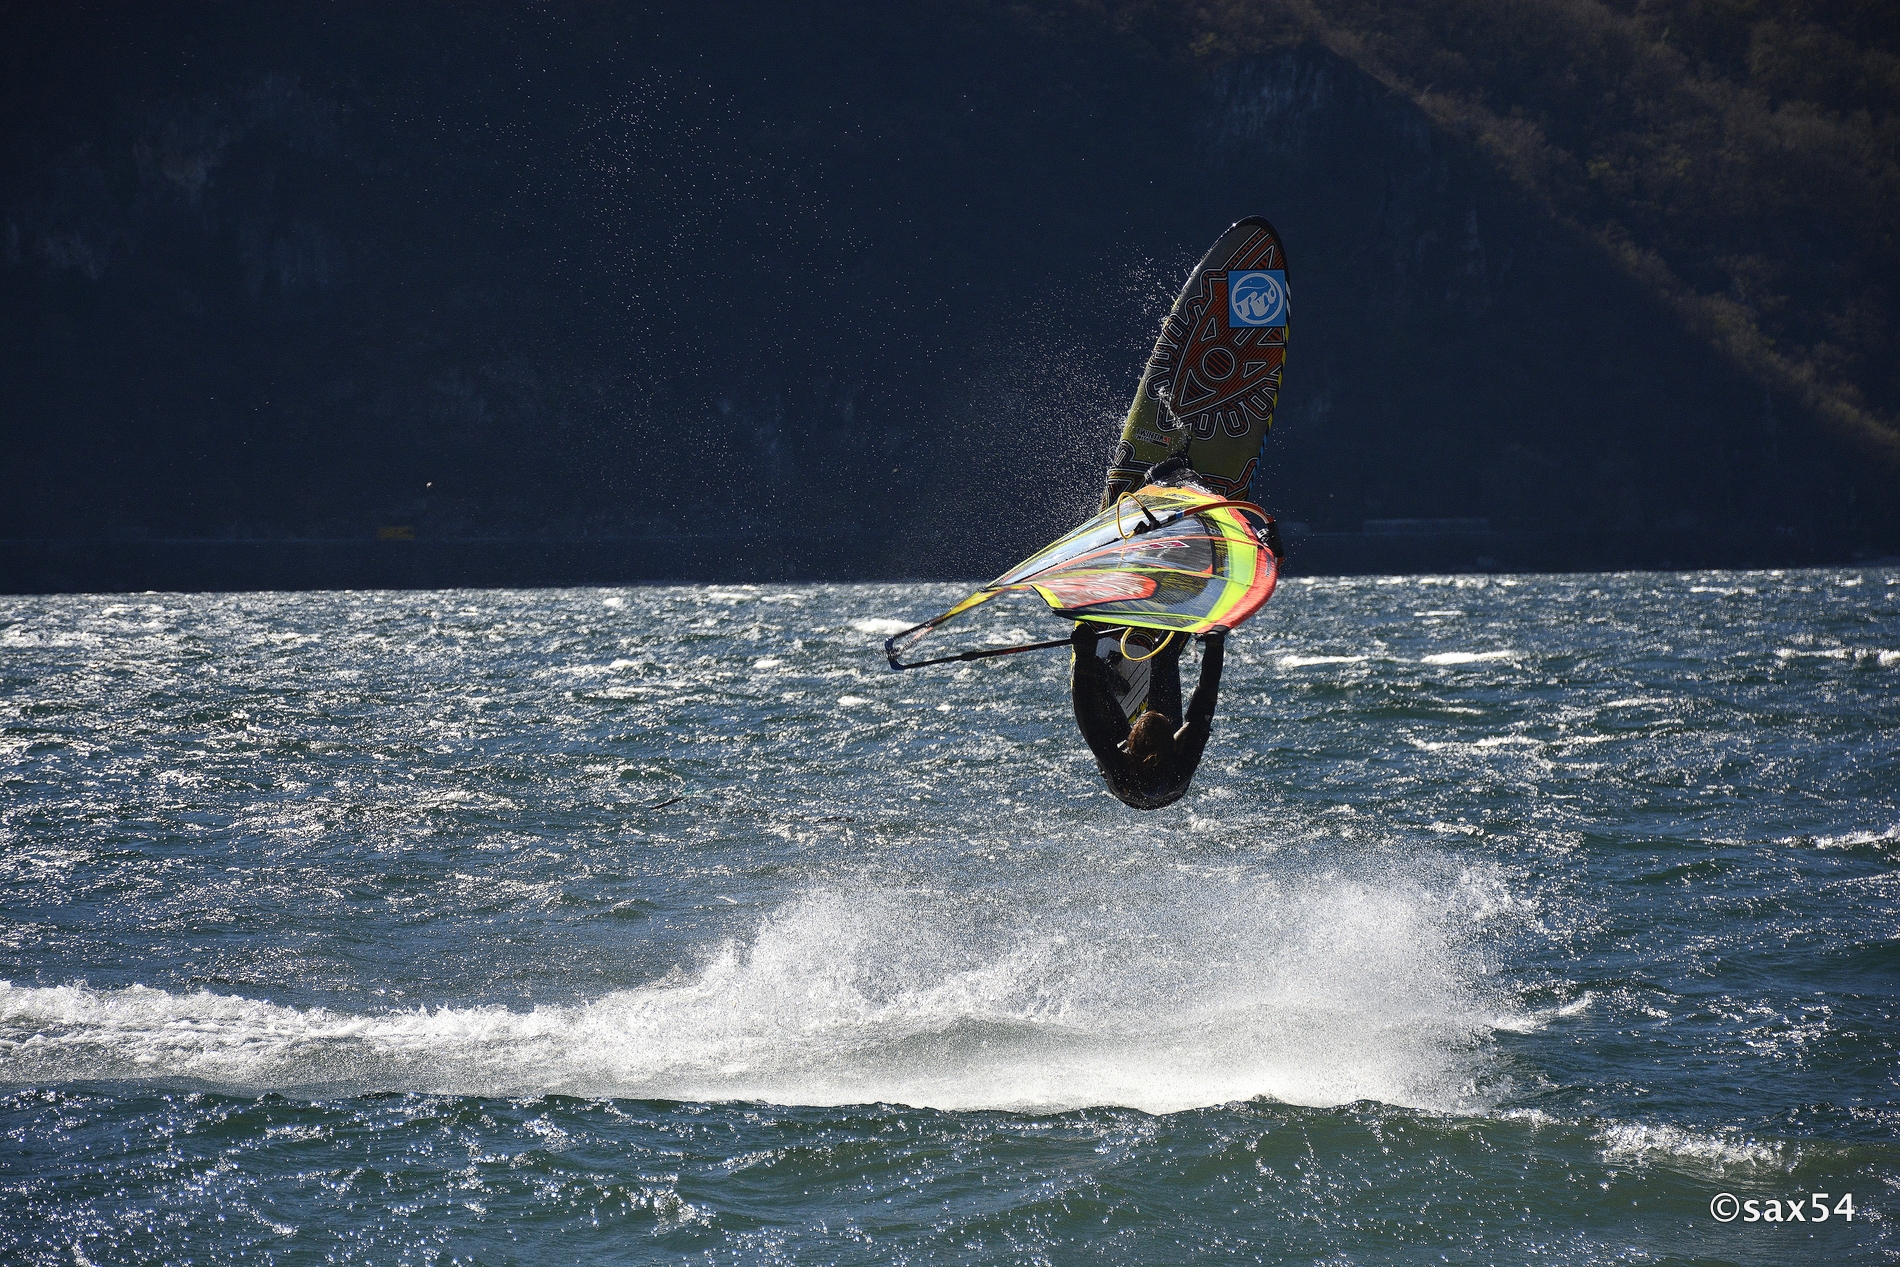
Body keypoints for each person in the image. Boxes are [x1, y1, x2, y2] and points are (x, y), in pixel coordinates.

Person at [1070, 621, 1226, 810]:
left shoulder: (1119, 768)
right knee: (1163, 652)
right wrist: (1215, 644)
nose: (1150, 712)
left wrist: (1083, 657)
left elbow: (1088, 719)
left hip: (1127, 789)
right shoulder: (1183, 761)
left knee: (1093, 673)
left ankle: (1109, 677)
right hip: (1170, 782)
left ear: (1131, 744)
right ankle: (1172, 629)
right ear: (1173, 741)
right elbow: (1207, 694)